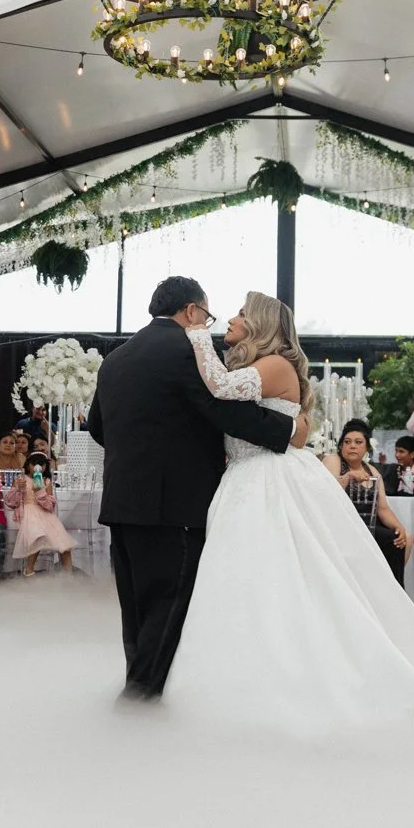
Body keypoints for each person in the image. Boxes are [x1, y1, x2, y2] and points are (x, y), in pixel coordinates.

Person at [169, 291, 414, 734]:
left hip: (267, 482)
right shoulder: (254, 368)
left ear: (261, 324)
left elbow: (219, 388)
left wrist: (196, 333)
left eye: (241, 313)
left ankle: (290, 676)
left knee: (280, 577)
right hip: (243, 479)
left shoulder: (276, 364)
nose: (232, 319)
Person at [84, 276, 302, 700]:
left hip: (121, 502)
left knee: (136, 607)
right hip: (175, 504)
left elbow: (97, 427)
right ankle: (140, 699)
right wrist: (289, 427)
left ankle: (137, 686)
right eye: (207, 313)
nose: (211, 324)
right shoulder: (188, 351)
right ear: (190, 311)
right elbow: (219, 411)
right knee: (168, 603)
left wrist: (139, 453)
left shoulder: (117, 357)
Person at [323, 418, 409, 581]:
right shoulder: (333, 461)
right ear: (341, 446)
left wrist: (399, 527)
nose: (352, 446)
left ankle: (392, 592)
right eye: (347, 442)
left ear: (367, 448)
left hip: (367, 527)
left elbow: (382, 509)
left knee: (396, 539)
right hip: (340, 527)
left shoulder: (373, 472)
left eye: (358, 442)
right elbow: (327, 496)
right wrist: (348, 477)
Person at [6, 449, 74, 575]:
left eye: (41, 465)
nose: (38, 467)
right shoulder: (21, 479)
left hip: (46, 514)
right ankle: (29, 571)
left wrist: (40, 492)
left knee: (63, 541)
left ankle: (69, 576)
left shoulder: (46, 481)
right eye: (34, 464)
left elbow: (50, 506)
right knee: (37, 536)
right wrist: (18, 489)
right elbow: (10, 503)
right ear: (28, 465)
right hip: (29, 513)